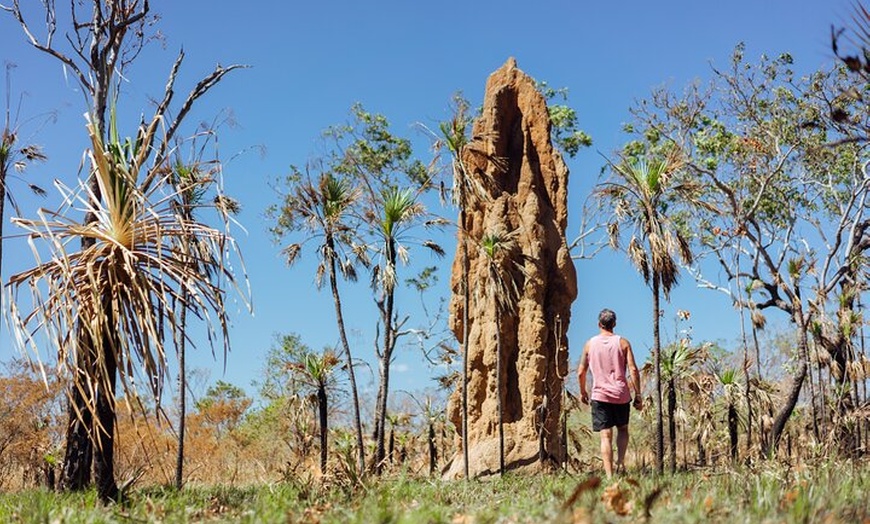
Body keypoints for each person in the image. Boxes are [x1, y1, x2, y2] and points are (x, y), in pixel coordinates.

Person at [577, 308, 642, 477]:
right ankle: (620, 463)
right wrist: (638, 395)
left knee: (605, 436)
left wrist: (583, 391)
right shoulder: (623, 343)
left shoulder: (589, 344)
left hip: (600, 395)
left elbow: (580, 372)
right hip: (621, 395)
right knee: (622, 429)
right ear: (614, 324)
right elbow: (633, 370)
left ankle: (609, 475)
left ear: (599, 324)